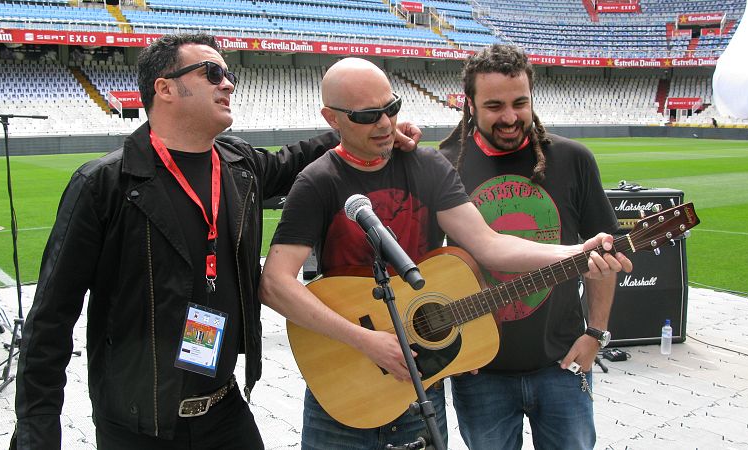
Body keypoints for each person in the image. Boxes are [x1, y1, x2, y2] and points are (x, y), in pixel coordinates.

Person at [11, 33, 420, 449]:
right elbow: (51, 318)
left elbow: (293, 159)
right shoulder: (105, 185)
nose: (228, 83)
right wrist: (36, 429)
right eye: (213, 73)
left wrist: (372, 126)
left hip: (224, 408)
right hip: (137, 423)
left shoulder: (238, 165)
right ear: (165, 88)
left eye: (229, 74)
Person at [258, 57, 631, 450]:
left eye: (391, 108)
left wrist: (576, 252)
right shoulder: (317, 181)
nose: (385, 124)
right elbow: (275, 285)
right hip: (343, 380)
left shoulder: (427, 165)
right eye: (368, 116)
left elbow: (489, 245)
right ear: (331, 118)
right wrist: (367, 342)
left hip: (421, 382)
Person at [439, 44, 623, 449]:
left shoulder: (573, 159)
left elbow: (604, 257)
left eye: (520, 102)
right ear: (469, 104)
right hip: (479, 371)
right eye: (494, 106)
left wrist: (595, 334)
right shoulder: (444, 164)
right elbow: (425, 263)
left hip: (561, 363)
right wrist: (456, 348)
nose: (509, 117)